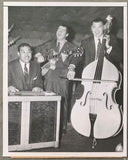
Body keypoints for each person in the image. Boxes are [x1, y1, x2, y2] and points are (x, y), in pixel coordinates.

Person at [73, 17, 123, 151]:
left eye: (99, 27)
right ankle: (85, 131)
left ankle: (110, 133)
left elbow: (120, 57)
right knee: (77, 98)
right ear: (91, 28)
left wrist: (109, 48)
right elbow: (78, 57)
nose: (96, 30)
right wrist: (72, 67)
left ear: (104, 27)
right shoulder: (85, 42)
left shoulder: (111, 39)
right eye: (93, 27)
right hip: (89, 81)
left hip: (106, 82)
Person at [34, 24, 82, 134]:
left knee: (63, 101)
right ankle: (47, 124)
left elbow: (77, 59)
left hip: (62, 77)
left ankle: (62, 127)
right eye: (58, 29)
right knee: (47, 100)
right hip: (49, 75)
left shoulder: (72, 48)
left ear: (67, 34)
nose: (59, 32)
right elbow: (36, 49)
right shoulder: (50, 44)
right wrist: (39, 56)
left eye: (62, 30)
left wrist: (71, 67)